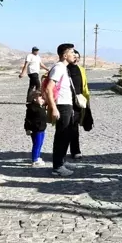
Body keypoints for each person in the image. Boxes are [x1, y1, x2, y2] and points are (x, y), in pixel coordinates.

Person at [44, 43, 77, 176]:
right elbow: (48, 88)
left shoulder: (64, 68)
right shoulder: (59, 68)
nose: (74, 55)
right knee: (61, 136)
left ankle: (61, 161)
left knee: (67, 135)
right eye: (72, 52)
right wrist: (53, 108)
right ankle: (57, 167)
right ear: (64, 55)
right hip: (61, 106)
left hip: (67, 105)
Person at [67, 50, 91, 161]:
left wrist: (87, 101)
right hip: (66, 102)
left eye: (78, 57)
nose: (76, 59)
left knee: (74, 127)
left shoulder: (81, 70)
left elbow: (84, 86)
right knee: (65, 127)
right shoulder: (64, 69)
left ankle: (75, 150)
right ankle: (62, 151)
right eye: (74, 56)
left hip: (78, 102)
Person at [24, 91, 48, 167]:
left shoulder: (41, 107)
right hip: (35, 129)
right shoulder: (32, 108)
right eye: (40, 97)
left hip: (42, 129)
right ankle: (34, 160)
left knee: (40, 144)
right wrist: (27, 128)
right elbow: (27, 120)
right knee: (36, 144)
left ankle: (38, 156)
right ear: (34, 99)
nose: (42, 98)